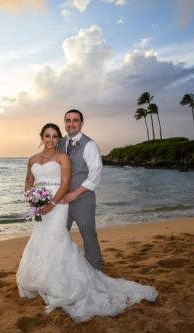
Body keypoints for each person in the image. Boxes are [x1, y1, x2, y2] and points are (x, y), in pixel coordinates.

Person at [16, 123, 157, 322]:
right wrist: (31, 198)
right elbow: (29, 180)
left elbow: (65, 183)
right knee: (40, 239)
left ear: (58, 139)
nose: (51, 139)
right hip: (39, 207)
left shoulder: (62, 158)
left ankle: (64, 282)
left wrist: (52, 204)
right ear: (41, 137)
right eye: (47, 136)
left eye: (55, 136)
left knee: (58, 240)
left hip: (57, 207)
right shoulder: (32, 159)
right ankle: (43, 280)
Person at [58, 109, 103, 270]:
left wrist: (75, 194)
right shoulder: (60, 143)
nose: (71, 124)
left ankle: (96, 269)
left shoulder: (89, 144)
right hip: (62, 200)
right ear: (64, 123)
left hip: (83, 199)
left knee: (88, 234)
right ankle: (62, 268)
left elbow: (96, 174)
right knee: (59, 234)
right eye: (68, 120)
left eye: (75, 120)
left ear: (81, 123)